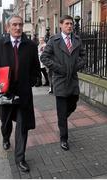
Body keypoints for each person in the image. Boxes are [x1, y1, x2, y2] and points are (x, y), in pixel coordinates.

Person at [0, 14, 41, 172]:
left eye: (20, 25)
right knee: (5, 123)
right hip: (6, 93)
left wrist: (30, 82)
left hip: (23, 94)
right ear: (7, 27)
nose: (18, 28)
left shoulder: (30, 45)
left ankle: (20, 158)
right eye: (14, 25)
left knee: (22, 126)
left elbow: (36, 69)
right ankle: (5, 137)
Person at [41, 15, 86, 151]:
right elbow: (44, 57)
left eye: (71, 24)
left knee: (73, 102)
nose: (70, 26)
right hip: (60, 80)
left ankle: (62, 119)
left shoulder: (77, 40)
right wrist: (58, 68)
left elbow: (83, 56)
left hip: (72, 79)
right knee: (62, 111)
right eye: (67, 24)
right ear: (61, 25)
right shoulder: (54, 40)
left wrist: (77, 66)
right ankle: (64, 138)